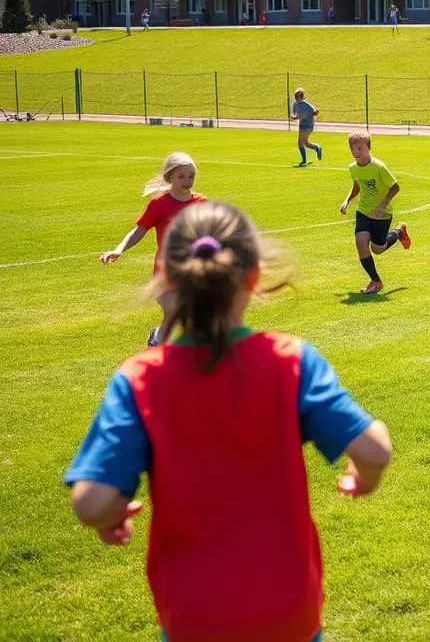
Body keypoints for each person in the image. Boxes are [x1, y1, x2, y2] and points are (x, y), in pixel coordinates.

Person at [67, 200, 392, 642]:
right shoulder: (291, 362)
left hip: (193, 616)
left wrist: (111, 513)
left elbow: (90, 502)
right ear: (254, 274)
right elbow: (373, 449)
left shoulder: (140, 378)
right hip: (288, 610)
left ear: (168, 279)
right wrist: (364, 478)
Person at [100, 152, 206, 347]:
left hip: (191, 272)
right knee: (173, 310)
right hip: (165, 273)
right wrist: (119, 249)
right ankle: (159, 345)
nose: (187, 180)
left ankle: (164, 339)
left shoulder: (202, 203)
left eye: (191, 175)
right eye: (181, 176)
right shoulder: (159, 204)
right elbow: (139, 230)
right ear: (169, 178)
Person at [340, 132, 411, 294]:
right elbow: (357, 185)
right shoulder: (353, 168)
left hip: (382, 214)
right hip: (364, 211)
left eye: (359, 148)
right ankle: (375, 281)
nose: (355, 152)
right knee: (360, 241)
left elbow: (395, 187)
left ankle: (398, 232)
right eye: (352, 149)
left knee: (378, 249)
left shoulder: (379, 167)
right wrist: (347, 200)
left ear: (369, 148)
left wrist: (382, 205)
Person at [290, 88, 323, 167]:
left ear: (301, 97)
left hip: (309, 125)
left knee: (300, 143)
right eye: (295, 97)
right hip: (302, 124)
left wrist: (316, 112)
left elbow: (314, 112)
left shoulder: (307, 105)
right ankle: (317, 148)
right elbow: (297, 115)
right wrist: (294, 117)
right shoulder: (296, 105)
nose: (296, 98)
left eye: (297, 97)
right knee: (305, 143)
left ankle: (304, 161)